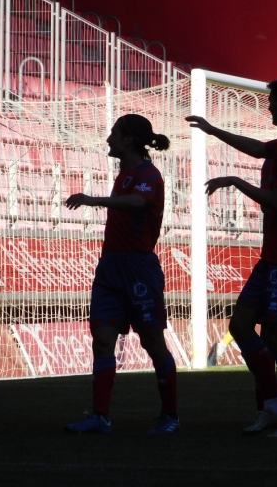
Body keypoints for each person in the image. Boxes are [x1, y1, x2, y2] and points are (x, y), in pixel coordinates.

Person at [186, 77, 277, 438]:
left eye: (273, 101)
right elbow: (260, 149)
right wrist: (214, 131)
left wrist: (235, 181)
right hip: (276, 255)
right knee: (240, 326)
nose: (269, 106)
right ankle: (274, 405)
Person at [64, 114, 178, 435]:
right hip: (110, 266)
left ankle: (170, 415)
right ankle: (100, 416)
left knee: (153, 342)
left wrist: (94, 200)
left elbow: (138, 202)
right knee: (102, 340)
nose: (108, 139)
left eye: (114, 133)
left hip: (139, 268)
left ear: (128, 139)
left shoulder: (148, 174)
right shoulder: (125, 173)